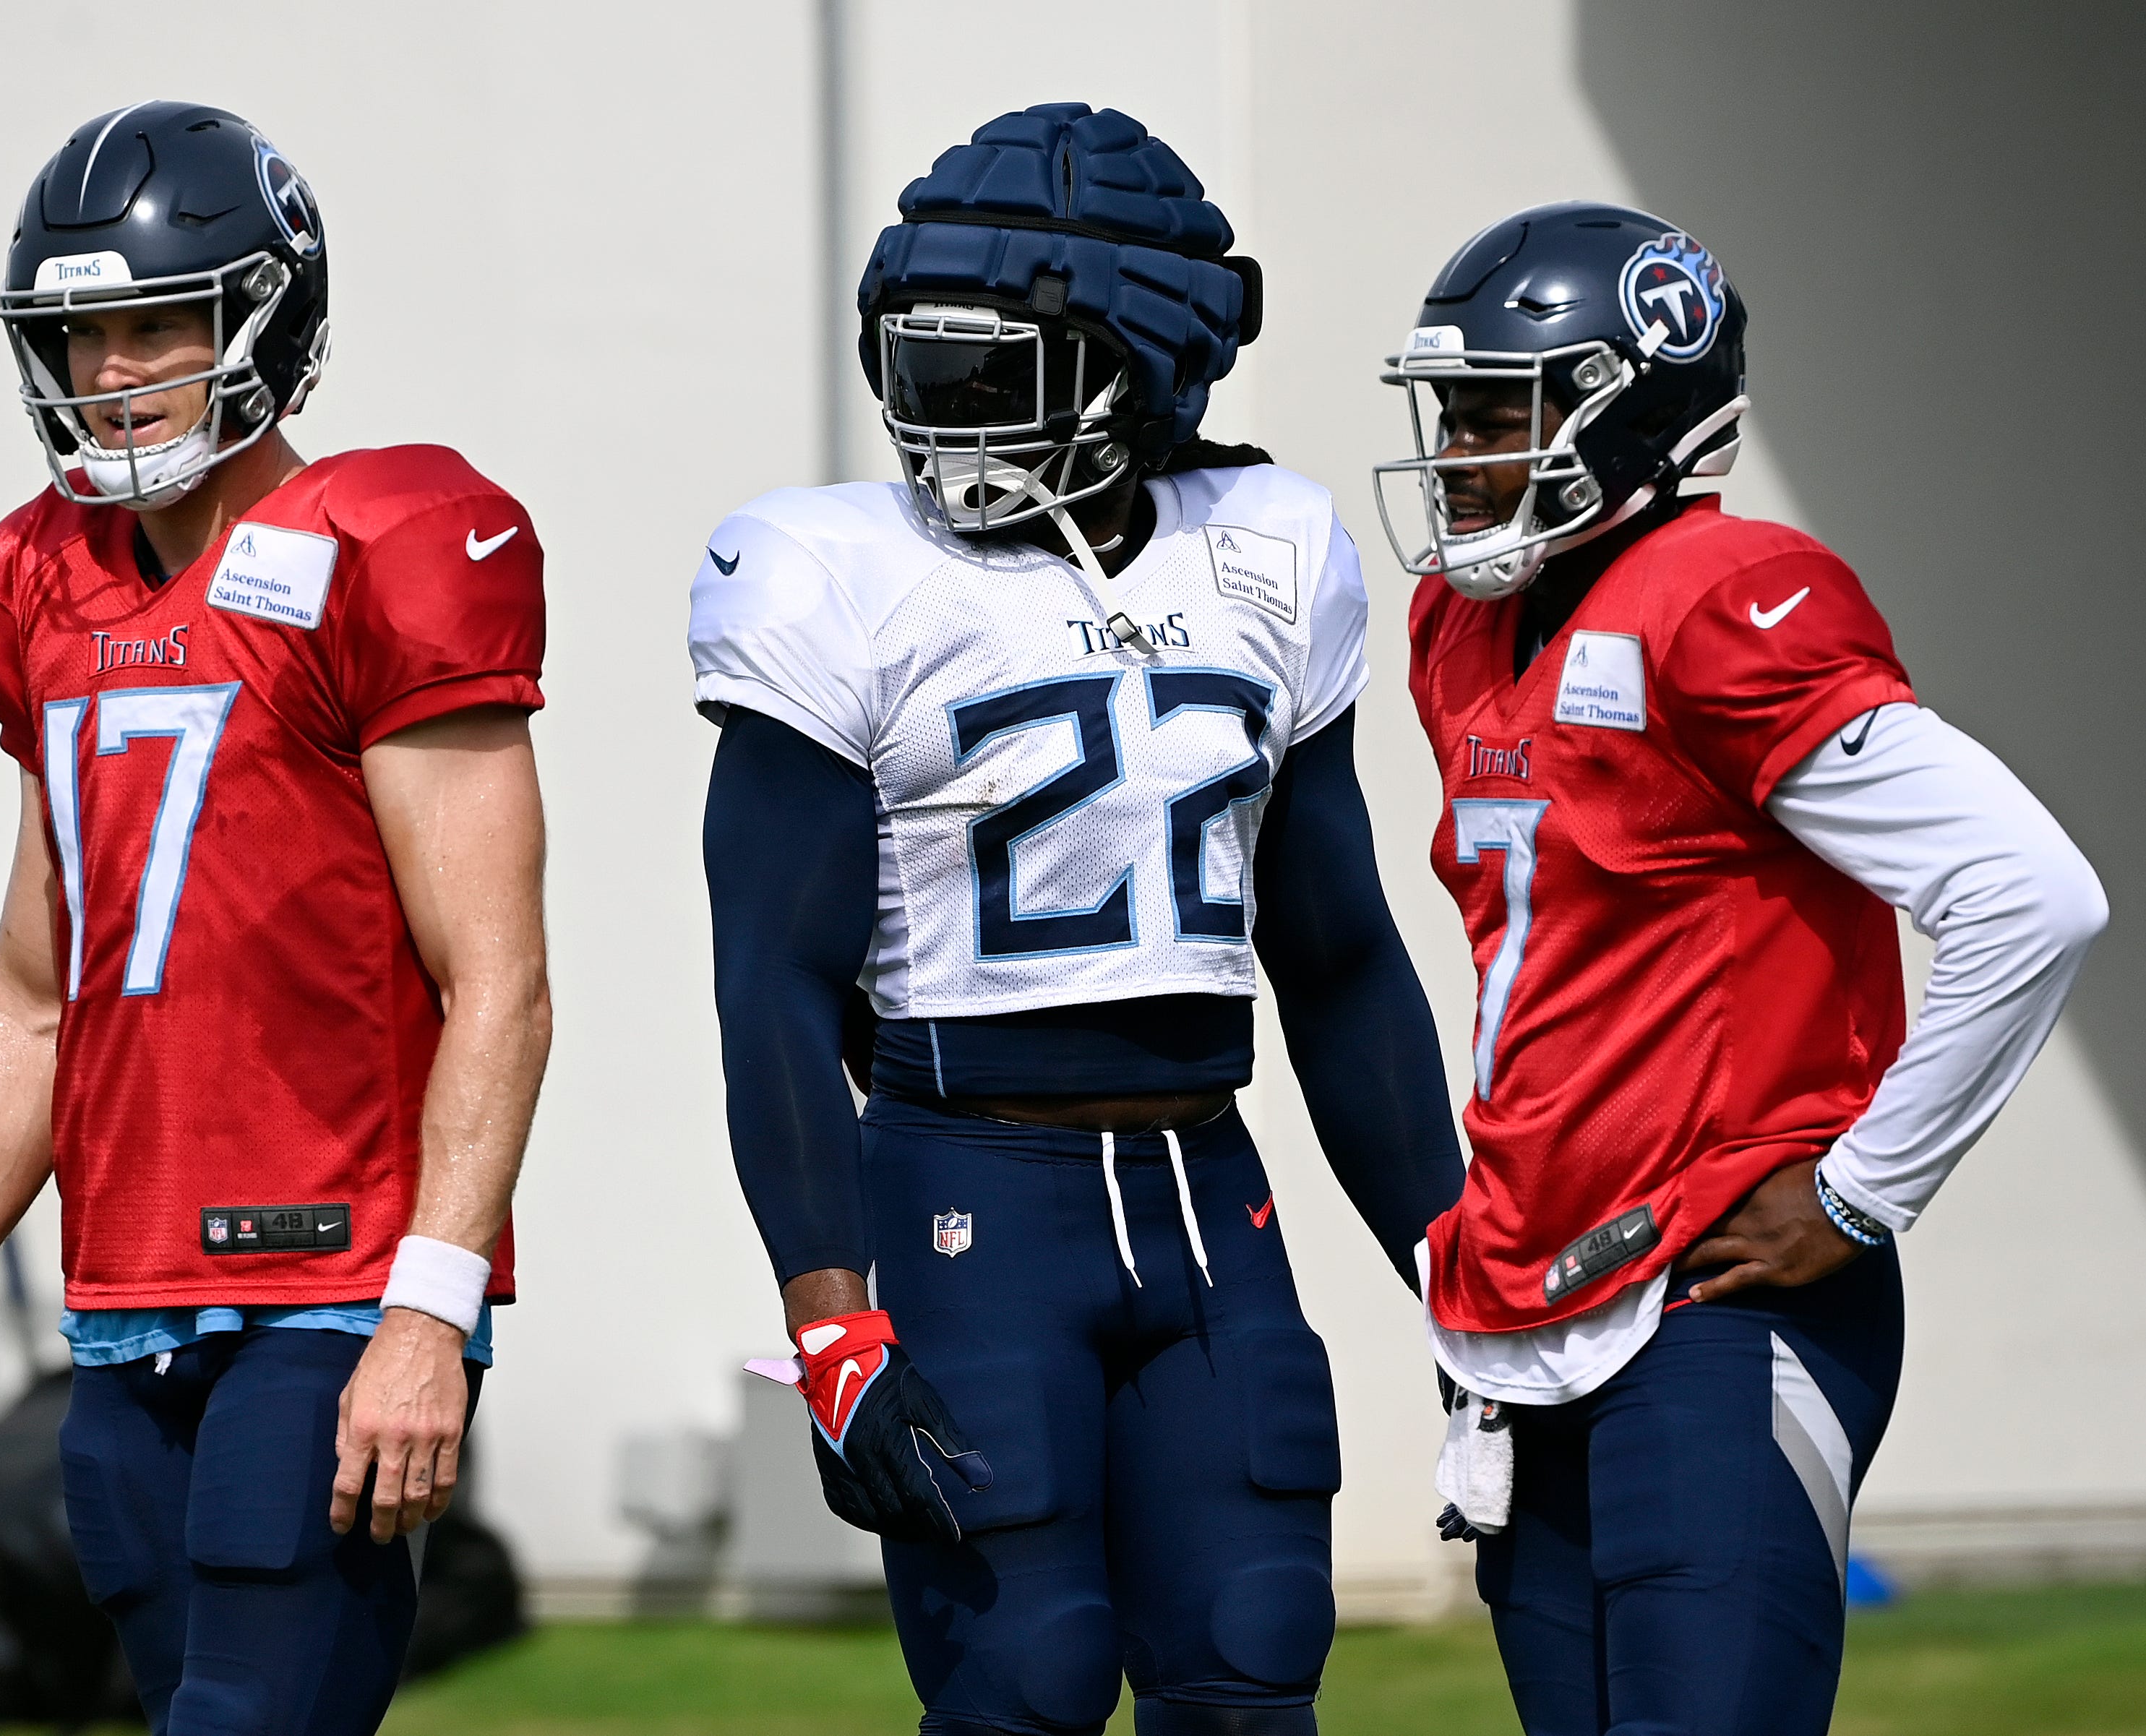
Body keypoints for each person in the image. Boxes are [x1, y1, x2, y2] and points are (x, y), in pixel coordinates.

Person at [690, 104, 1464, 1735]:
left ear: (1142, 365)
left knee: (1256, 1662)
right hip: (971, 1187)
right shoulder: (831, 573)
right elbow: (771, 982)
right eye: (916, 369)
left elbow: (1335, 960)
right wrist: (830, 1320)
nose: (941, 421)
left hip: (1205, 1184)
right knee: (1019, 1687)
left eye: (991, 375)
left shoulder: (1269, 547)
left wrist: (1457, 1274)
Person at [0, 103, 550, 1736]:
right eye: (81, 333)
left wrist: (427, 1310)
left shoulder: (389, 544)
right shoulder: (39, 580)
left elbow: (497, 977)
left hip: (336, 1288)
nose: (115, 370)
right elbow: (30, 995)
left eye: (158, 323)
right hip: (125, 1294)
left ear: (267, 319)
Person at [1378, 201, 2110, 1735]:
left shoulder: (1726, 599)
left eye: (1501, 411)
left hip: (1712, 1295)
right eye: (1449, 411)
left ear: (1629, 403)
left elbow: (2026, 893)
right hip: (1533, 1290)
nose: (1459, 451)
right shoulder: (1455, 620)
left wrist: (1860, 1188)